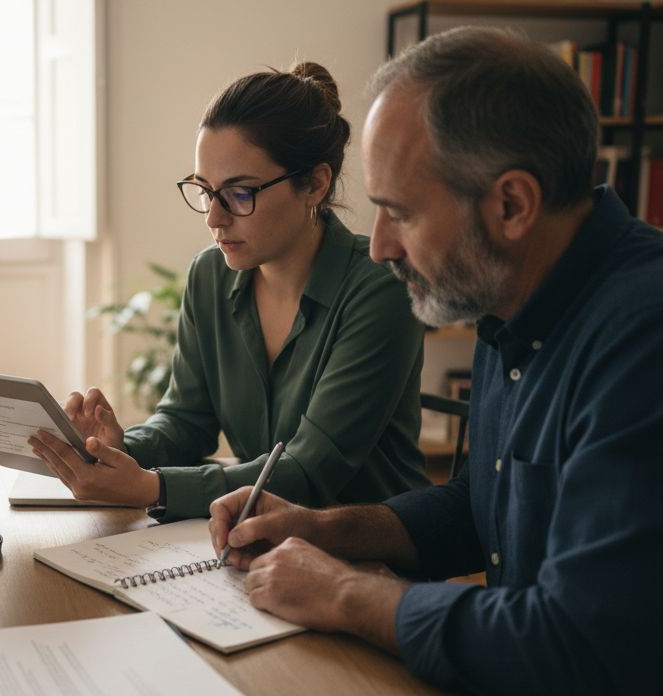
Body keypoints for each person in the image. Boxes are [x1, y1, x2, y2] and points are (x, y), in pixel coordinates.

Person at [209, 27, 663, 696]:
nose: (381, 245)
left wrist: (347, 595)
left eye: (402, 212)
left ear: (512, 204)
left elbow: (583, 654)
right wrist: (328, 528)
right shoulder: (509, 299)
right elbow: (483, 505)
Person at [30, 61, 429, 520]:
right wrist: (116, 447)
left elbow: (309, 472)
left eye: (240, 194)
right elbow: (186, 422)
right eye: (205, 190)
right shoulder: (210, 277)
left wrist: (153, 487)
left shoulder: (380, 287)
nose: (214, 218)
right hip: (260, 538)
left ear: (315, 184)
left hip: (372, 544)